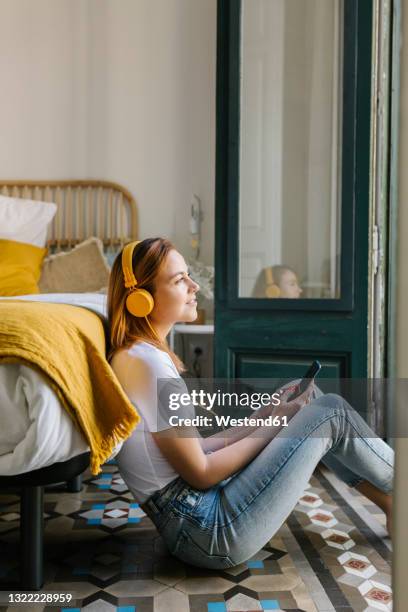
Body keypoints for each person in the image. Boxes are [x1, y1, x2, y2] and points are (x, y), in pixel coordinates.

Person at [107, 238, 394, 569]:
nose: (194, 285)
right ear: (140, 300)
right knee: (331, 414)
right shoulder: (148, 365)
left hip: (194, 521)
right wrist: (276, 424)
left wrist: (263, 416)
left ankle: (390, 503)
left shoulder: (140, 355)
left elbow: (197, 449)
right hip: (207, 531)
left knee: (307, 397)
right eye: (178, 280)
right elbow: (201, 473)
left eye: (188, 275)